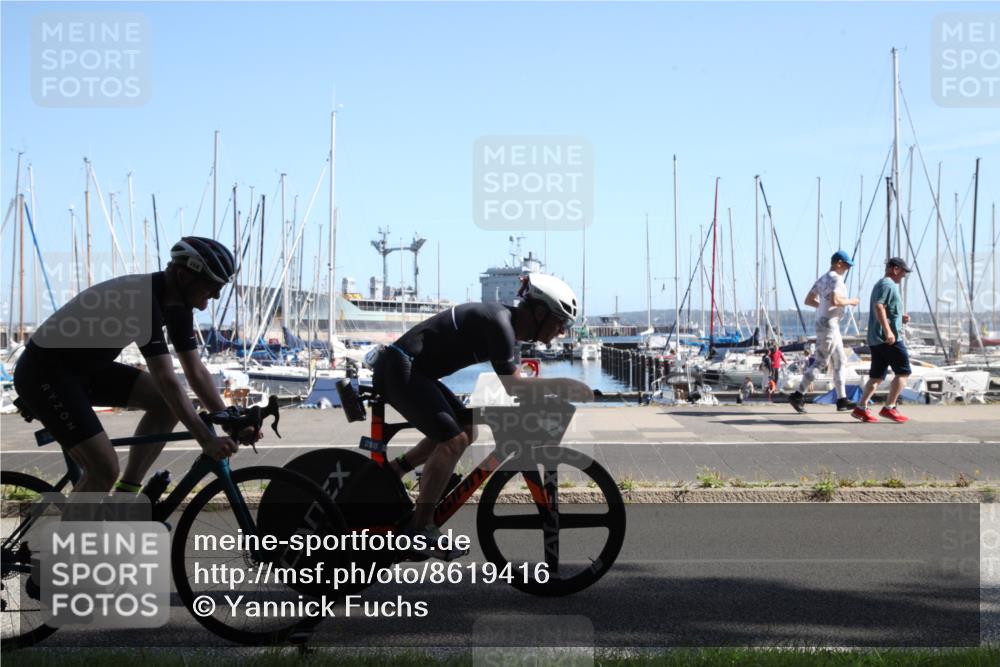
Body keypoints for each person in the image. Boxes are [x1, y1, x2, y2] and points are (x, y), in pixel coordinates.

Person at [13, 237, 249, 494]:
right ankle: (73, 535)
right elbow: (165, 378)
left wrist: (231, 420)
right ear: (183, 276)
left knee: (166, 405)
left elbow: (196, 371)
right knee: (103, 469)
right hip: (45, 374)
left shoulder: (178, 304)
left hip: (85, 370)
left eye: (220, 287)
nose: (216, 294)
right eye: (212, 286)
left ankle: (125, 494)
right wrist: (206, 439)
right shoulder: (142, 299)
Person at [373, 273, 581, 559]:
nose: (561, 332)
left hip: (411, 369)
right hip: (401, 368)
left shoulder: (506, 326)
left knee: (467, 429)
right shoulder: (500, 324)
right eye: (561, 322)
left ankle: (394, 472)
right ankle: (419, 530)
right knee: (453, 440)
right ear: (540, 312)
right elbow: (515, 385)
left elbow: (515, 386)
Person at [789, 250, 861, 413]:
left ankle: (842, 399)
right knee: (821, 362)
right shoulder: (836, 278)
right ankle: (798, 394)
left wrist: (822, 307)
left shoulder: (823, 278)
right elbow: (836, 300)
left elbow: (808, 300)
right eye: (847, 265)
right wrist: (851, 301)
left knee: (840, 360)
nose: (848, 269)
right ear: (839, 263)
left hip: (826, 323)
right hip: (829, 325)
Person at [852, 257, 912, 423]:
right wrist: (888, 331)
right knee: (903, 372)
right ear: (895, 269)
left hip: (877, 338)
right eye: (903, 272)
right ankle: (889, 407)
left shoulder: (881, 284)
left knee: (877, 376)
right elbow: (879, 306)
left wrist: (900, 317)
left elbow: (886, 309)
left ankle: (860, 408)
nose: (904, 276)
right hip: (889, 338)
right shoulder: (888, 285)